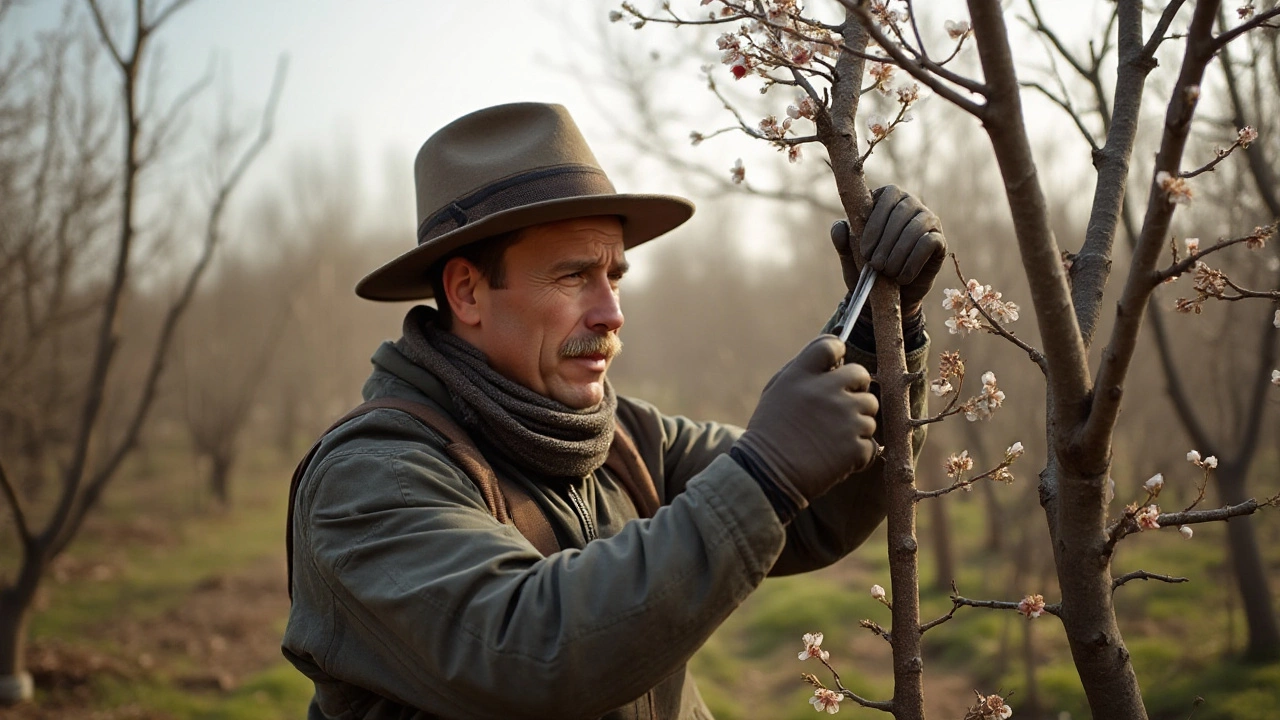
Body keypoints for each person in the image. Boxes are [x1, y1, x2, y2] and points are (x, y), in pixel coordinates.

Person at [282, 102, 945, 720]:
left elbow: (822, 509)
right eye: (573, 277)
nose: (611, 313)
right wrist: (764, 473)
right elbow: (529, 651)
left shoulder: (625, 439)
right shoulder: (369, 481)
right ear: (467, 292)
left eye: (615, 276)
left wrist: (884, 332)